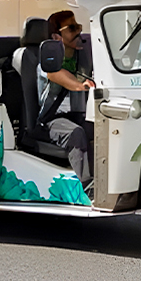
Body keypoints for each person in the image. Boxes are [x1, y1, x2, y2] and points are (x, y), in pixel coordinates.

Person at [37, 10, 95, 187]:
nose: (78, 32)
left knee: (102, 128)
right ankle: (87, 187)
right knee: (75, 133)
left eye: (78, 27)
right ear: (56, 37)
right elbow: (68, 81)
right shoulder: (48, 62)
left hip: (76, 114)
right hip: (49, 120)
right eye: (71, 28)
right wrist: (84, 85)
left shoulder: (81, 58)